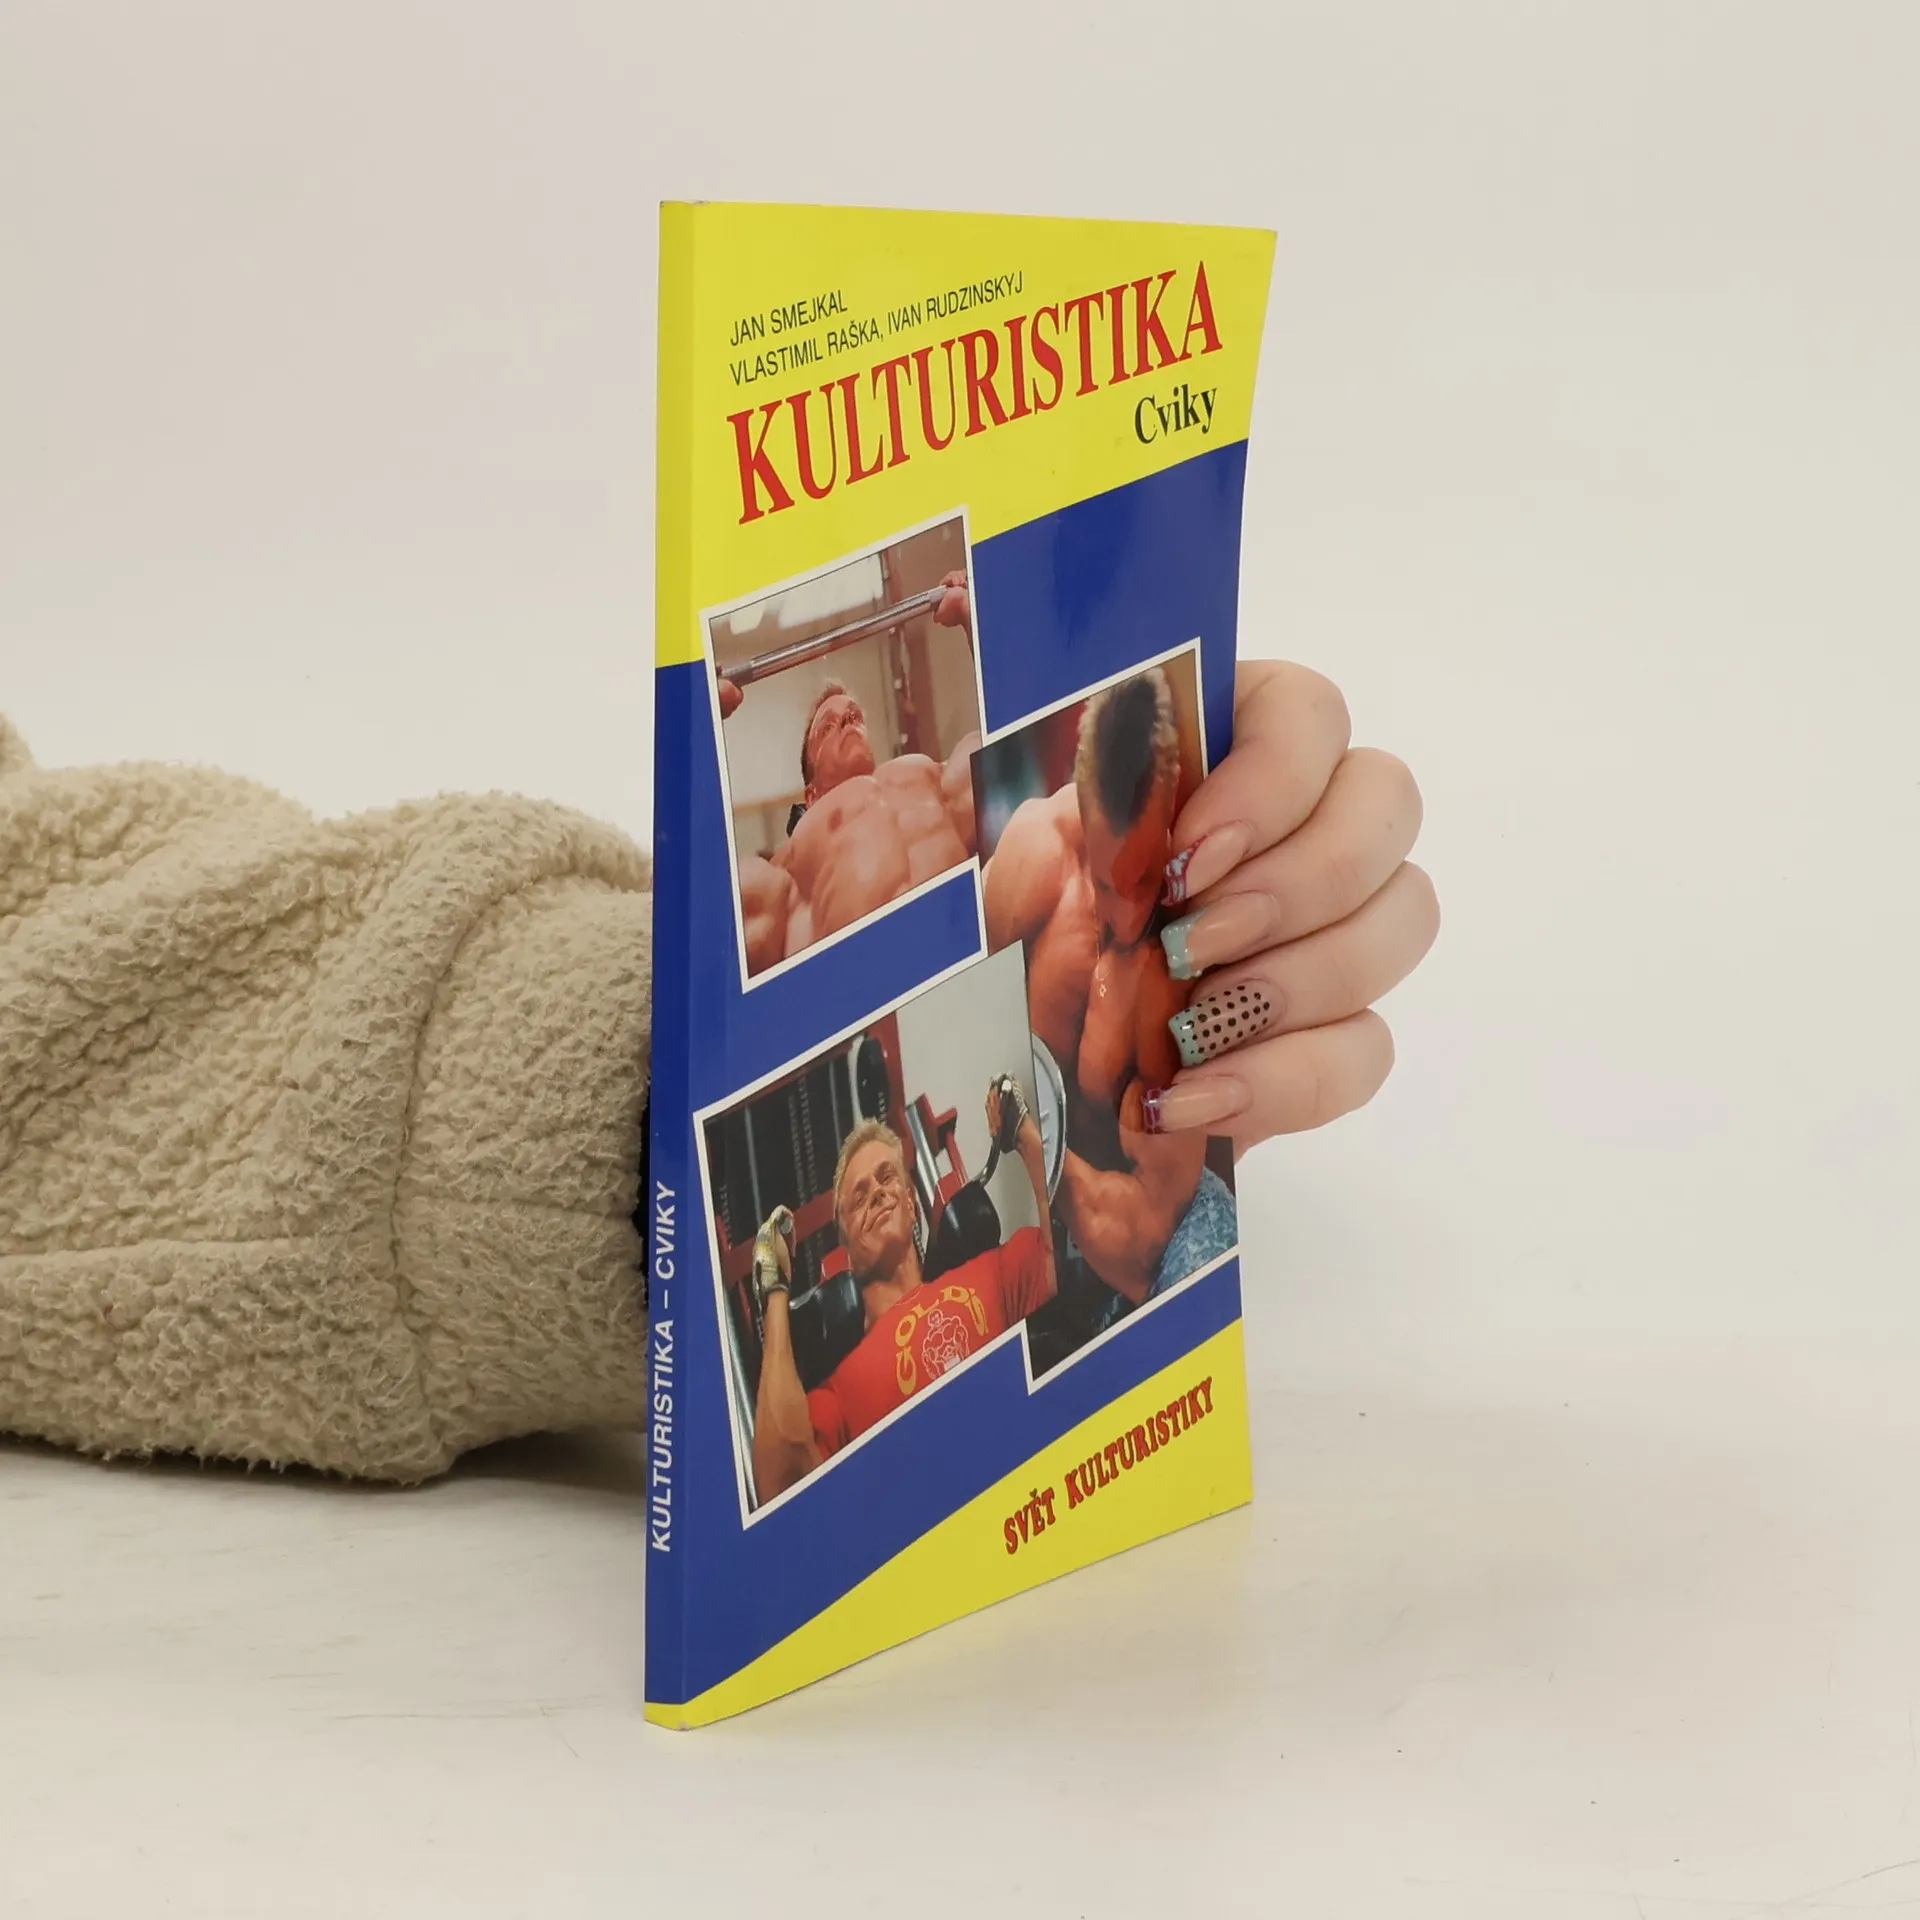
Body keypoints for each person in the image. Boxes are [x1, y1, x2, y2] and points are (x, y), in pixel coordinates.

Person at [0, 664, 1436, 1482]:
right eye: (821, 726)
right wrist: (637, 1093)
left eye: (850, 709)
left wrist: (1171, 809)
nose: (843, 720)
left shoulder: (954, 805)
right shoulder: (799, 853)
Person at [982, 667, 1228, 1307]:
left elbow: (1147, 1236)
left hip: (1146, 1244)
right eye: (1104, 882)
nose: (1125, 915)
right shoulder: (1031, 859)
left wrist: (1037, 1149)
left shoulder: (1190, 926)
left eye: (1145, 877)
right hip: (1042, 1219)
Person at [748, 1077, 1054, 1504]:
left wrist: (1025, 1138)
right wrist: (774, 1287)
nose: (876, 1193)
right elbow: (780, 1481)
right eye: (859, 1199)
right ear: (847, 1249)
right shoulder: (841, 1390)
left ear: (911, 1204)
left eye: (886, 1177)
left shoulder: (994, 1272)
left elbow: (1070, 1263)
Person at [719, 571, 981, 973]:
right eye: (827, 727)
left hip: (965, 959)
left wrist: (971, 617)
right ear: (811, 796)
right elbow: (710, 924)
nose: (847, 720)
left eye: (854, 716)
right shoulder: (790, 864)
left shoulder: (930, 776)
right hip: (871, 986)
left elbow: (1013, 740)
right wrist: (704, 716)